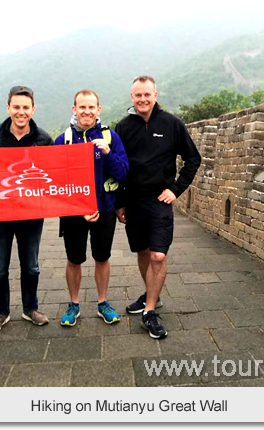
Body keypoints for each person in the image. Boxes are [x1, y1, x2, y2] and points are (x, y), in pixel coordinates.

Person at [115, 76, 201, 339]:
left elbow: (193, 159)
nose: (142, 99)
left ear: (155, 94)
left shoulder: (172, 123)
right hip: (133, 201)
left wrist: (175, 190)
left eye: (147, 95)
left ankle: (150, 311)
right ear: (132, 97)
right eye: (137, 95)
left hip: (159, 201)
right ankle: (151, 294)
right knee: (142, 252)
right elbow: (116, 168)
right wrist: (119, 203)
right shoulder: (123, 127)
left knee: (158, 256)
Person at [0, 86, 53, 334]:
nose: (21, 112)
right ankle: (1, 312)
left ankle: (30, 308)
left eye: (26, 107)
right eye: (16, 107)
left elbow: (50, 175)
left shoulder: (43, 139)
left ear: (33, 109)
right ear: (8, 108)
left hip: (30, 213)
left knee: (31, 265)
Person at [54, 90, 129, 326]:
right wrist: (78, 209)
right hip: (74, 212)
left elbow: (124, 173)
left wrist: (107, 154)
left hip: (104, 209)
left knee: (102, 257)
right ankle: (73, 304)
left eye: (91, 107)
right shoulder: (62, 140)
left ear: (99, 109)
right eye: (82, 107)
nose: (87, 111)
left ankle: (102, 303)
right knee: (74, 259)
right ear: (74, 109)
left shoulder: (110, 138)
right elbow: (56, 182)